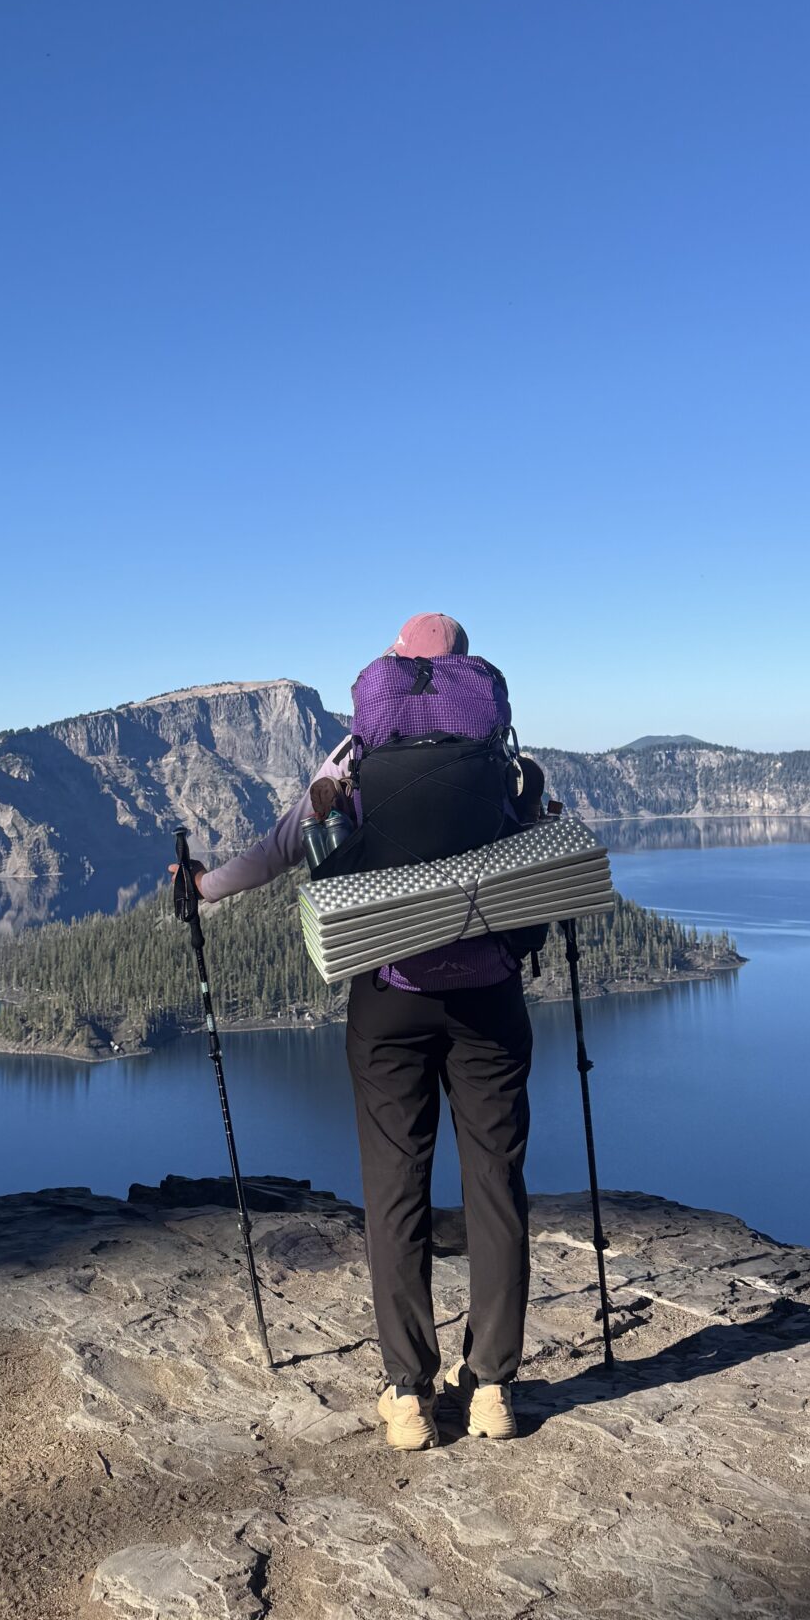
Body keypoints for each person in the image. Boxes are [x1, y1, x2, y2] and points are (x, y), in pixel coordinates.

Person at [172, 612, 541, 1451]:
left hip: (390, 994)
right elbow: (536, 854)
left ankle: (408, 1395)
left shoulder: (353, 760)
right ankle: (490, 1389)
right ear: (470, 674)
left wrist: (203, 886)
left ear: (394, 670)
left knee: (395, 1185)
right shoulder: (500, 756)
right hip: (489, 995)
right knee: (495, 1182)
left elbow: (281, 848)